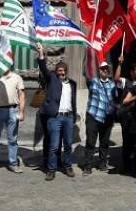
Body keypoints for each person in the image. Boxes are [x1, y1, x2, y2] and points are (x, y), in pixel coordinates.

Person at [37, 43, 77, 181]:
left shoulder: (72, 84)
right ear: (56, 71)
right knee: (53, 146)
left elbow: (73, 100)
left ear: (67, 71)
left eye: (64, 70)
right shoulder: (52, 79)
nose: (62, 72)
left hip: (68, 117)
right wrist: (41, 53)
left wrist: (74, 116)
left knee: (67, 145)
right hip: (55, 117)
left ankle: (67, 166)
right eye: (59, 70)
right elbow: (43, 68)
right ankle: (51, 169)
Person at [82, 61, 118, 176]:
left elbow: (115, 100)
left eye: (107, 69)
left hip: (107, 118)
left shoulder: (112, 84)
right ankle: (87, 166)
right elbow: (87, 72)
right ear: (99, 70)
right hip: (94, 116)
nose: (105, 70)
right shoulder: (93, 81)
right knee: (91, 142)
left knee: (104, 142)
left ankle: (102, 163)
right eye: (103, 69)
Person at [114, 57, 136, 174]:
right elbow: (116, 78)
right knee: (127, 142)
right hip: (127, 117)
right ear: (132, 72)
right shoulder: (126, 82)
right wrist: (119, 64)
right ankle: (126, 166)